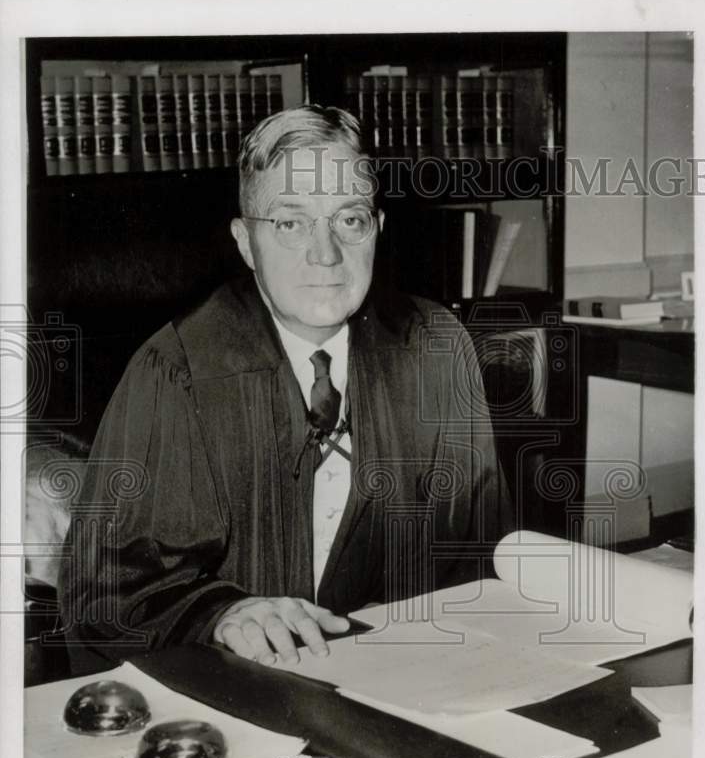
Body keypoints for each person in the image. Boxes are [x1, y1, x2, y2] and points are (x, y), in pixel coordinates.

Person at [59, 105, 512, 668]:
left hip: (405, 679)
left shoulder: (435, 348)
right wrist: (220, 614)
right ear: (246, 242)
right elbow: (104, 598)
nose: (326, 254)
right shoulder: (177, 371)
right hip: (236, 694)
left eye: (349, 219)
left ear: (377, 231)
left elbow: (481, 559)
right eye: (291, 223)